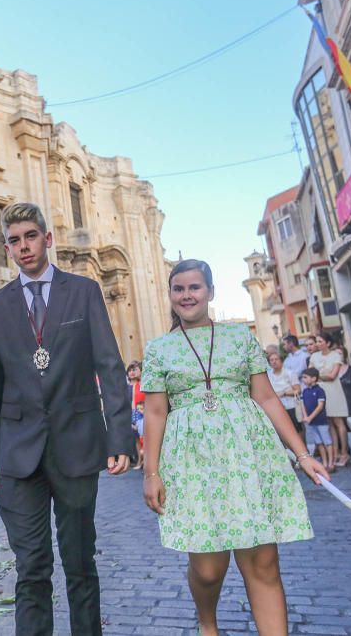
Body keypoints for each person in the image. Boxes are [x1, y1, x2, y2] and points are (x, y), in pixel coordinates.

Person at [141, 259, 327, 636]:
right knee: (208, 570)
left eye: (195, 287)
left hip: (248, 454)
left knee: (262, 564)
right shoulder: (159, 349)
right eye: (178, 288)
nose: (187, 295)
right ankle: (207, 622)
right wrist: (151, 472)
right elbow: (156, 412)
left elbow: (267, 398)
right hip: (192, 460)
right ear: (171, 296)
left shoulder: (240, 337)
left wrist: (302, 454)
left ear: (210, 292)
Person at [0, 202, 131, 636]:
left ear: (47, 239)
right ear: (7, 248)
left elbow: (110, 365)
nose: (23, 247)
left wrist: (119, 437)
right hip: (18, 454)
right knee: (31, 567)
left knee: (80, 563)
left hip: (78, 447)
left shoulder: (82, 291)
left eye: (30, 236)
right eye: (14, 241)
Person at [309, 331, 350, 467]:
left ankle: (345, 452)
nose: (318, 344)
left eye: (321, 341)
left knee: (338, 422)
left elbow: (333, 375)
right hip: (320, 392)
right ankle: (336, 452)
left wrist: (318, 376)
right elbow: (310, 374)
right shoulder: (314, 356)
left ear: (328, 343)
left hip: (334, 392)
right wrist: (321, 376)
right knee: (329, 424)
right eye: (317, 341)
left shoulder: (336, 355)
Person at [299, 368, 333, 468]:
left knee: (327, 442)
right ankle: (325, 462)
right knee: (319, 443)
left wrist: (310, 417)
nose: (303, 380)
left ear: (314, 378)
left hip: (321, 421)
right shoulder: (304, 391)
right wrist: (306, 417)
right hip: (311, 422)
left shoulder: (319, 391)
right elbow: (303, 405)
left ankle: (331, 463)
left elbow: (320, 406)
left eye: (305, 377)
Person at [267, 351, 301, 435]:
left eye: (276, 359)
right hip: (277, 407)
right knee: (283, 432)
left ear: (281, 361)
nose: (274, 361)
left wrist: (284, 393)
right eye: (271, 360)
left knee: (297, 429)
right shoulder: (268, 374)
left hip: (291, 405)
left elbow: (298, 390)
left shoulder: (289, 372)